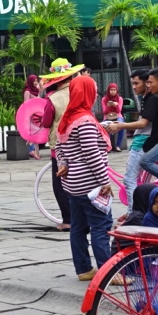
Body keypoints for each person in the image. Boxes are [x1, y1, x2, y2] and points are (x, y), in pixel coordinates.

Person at [54, 75, 112, 282]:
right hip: (90, 184)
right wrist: (104, 180)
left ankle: (84, 269)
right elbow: (92, 153)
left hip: (73, 184)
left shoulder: (68, 118)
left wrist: (63, 163)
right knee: (101, 225)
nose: (95, 95)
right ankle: (107, 272)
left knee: (78, 227)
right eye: (93, 91)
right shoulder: (84, 120)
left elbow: (58, 146)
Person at [106, 70, 158, 212]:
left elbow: (143, 124)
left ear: (147, 83)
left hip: (142, 143)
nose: (134, 86)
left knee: (129, 179)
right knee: (134, 179)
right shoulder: (147, 99)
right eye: (132, 83)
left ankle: (133, 213)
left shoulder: (153, 100)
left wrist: (120, 126)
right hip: (141, 140)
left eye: (137, 83)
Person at [39, 58, 85, 231]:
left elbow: (46, 122)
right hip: (81, 140)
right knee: (81, 178)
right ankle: (84, 217)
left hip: (60, 144)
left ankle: (68, 220)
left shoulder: (52, 99)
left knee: (60, 182)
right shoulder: (79, 92)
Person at [101, 82, 125, 152]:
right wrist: (108, 106)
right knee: (106, 126)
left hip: (117, 116)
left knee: (121, 125)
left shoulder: (120, 99)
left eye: (114, 90)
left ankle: (118, 146)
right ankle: (108, 146)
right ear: (108, 90)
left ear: (116, 91)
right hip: (107, 116)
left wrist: (116, 105)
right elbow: (104, 112)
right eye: (111, 90)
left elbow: (119, 111)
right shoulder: (104, 99)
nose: (113, 91)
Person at [23, 75, 41, 159]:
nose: (36, 82)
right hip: (30, 115)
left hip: (37, 115)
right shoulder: (27, 92)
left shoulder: (37, 90)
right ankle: (31, 151)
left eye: (37, 80)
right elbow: (26, 104)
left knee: (36, 132)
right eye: (34, 81)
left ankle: (36, 152)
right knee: (31, 133)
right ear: (30, 82)